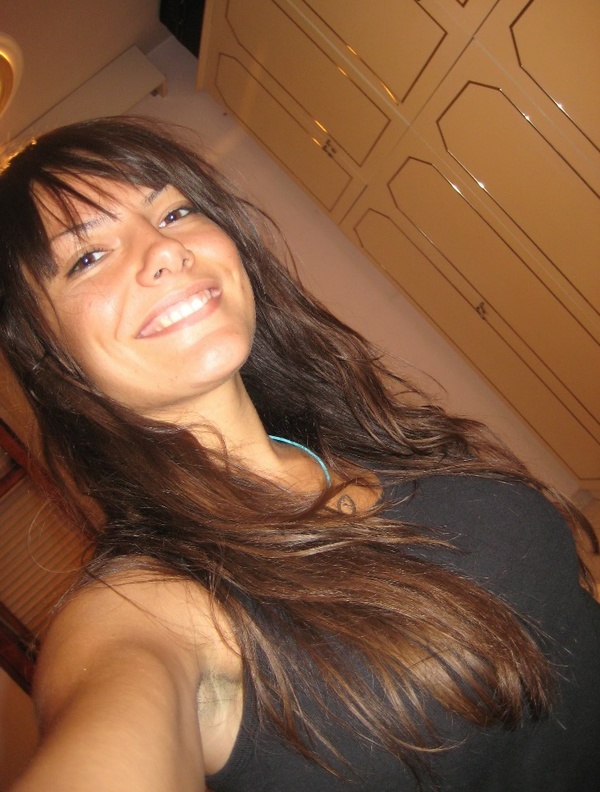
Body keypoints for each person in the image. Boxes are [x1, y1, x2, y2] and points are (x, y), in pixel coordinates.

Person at [0, 116, 598, 792]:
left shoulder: (359, 437)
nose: (164, 250)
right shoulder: (149, 605)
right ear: (47, 356)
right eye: (87, 257)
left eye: (174, 212)